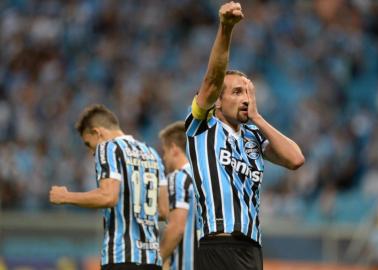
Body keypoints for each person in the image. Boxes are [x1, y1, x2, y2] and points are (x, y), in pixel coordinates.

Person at [185, 2, 305, 270]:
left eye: (248, 92)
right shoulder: (202, 126)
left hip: (252, 249)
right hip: (218, 245)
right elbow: (212, 80)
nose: (245, 98)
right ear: (218, 100)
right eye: (237, 92)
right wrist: (226, 29)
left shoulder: (253, 135)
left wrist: (258, 117)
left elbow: (295, 159)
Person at [49, 104, 168, 270]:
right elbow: (163, 210)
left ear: (98, 133)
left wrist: (66, 197)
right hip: (152, 259)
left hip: (121, 257)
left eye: (89, 144)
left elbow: (108, 197)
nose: (92, 152)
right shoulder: (151, 153)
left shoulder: (107, 148)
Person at [159, 121, 197, 270]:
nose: (163, 158)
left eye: (164, 151)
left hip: (187, 264)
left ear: (174, 149)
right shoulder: (206, 178)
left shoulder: (179, 177)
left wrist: (157, 260)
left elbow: (177, 228)